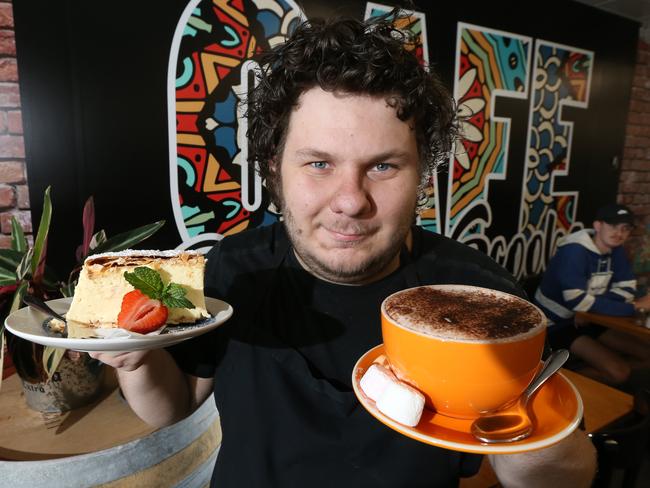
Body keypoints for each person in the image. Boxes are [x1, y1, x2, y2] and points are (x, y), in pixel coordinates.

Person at [93, 14, 596, 487]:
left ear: (421, 175)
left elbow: (560, 476)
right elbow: (178, 404)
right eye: (318, 164)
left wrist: (516, 402)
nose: (351, 201)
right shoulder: (234, 269)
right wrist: (136, 362)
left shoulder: (477, 297)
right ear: (274, 169)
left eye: (383, 166)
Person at [535, 203, 650, 387]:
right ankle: (555, 383)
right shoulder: (574, 251)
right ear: (597, 226)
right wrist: (635, 307)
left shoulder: (616, 249)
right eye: (613, 226)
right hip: (555, 324)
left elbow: (627, 289)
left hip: (588, 318)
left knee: (646, 353)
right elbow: (578, 302)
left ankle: (602, 381)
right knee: (620, 373)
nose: (619, 233)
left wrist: (591, 307)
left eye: (625, 228)